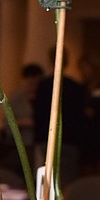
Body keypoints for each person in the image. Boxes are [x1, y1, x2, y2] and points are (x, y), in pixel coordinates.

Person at [33, 52, 87, 184]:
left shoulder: (44, 85)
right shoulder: (76, 87)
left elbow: (38, 114)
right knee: (65, 182)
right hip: (70, 140)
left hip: (48, 140)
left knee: (44, 182)